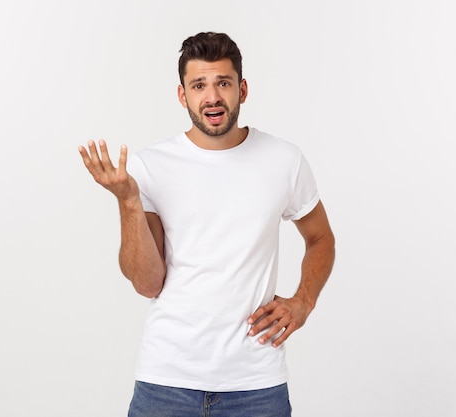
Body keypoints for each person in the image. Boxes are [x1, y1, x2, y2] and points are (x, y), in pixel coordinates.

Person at [79, 32, 335, 417]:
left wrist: (303, 302)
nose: (212, 96)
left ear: (242, 89)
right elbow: (147, 282)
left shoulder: (284, 160)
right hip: (167, 381)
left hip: (256, 384)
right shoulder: (151, 166)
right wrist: (128, 201)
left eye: (223, 83)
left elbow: (320, 237)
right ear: (183, 95)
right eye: (199, 85)